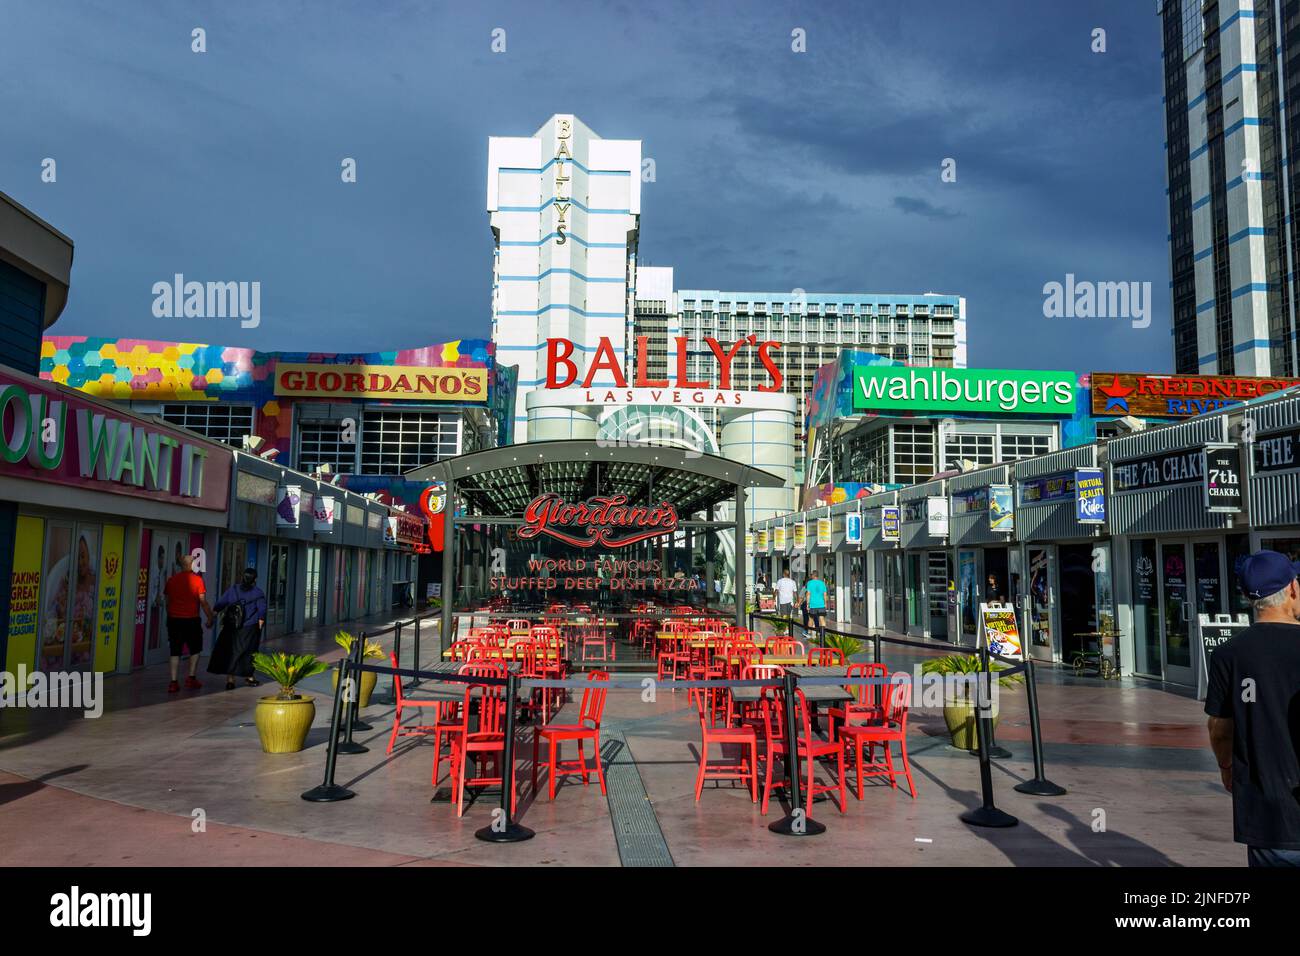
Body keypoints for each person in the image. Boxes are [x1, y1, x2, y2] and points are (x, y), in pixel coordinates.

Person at [1205, 550, 1300, 867]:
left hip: (1266, 812)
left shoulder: (1227, 655)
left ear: (1247, 597)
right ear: (1293, 590)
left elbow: (1220, 728)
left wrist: (1226, 768)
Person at [208, 567, 268, 690]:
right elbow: (262, 610)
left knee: (231, 652)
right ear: (254, 579)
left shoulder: (233, 589)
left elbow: (220, 603)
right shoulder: (258, 593)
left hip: (232, 626)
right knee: (249, 652)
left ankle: (230, 680)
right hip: (249, 627)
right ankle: (249, 677)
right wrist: (260, 624)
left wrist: (212, 617)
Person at [164, 553, 214, 693]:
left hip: (174, 620)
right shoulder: (197, 580)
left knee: (175, 650)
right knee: (195, 649)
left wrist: (170, 616)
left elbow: (167, 602)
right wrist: (210, 617)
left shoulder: (171, 580)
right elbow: (203, 602)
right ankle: (191, 678)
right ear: (191, 564)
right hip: (191, 620)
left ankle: (173, 682)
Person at [803, 570, 828, 641]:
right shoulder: (822, 583)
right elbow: (825, 594)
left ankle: (809, 633)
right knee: (822, 619)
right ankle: (822, 633)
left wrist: (807, 604)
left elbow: (808, 594)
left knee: (811, 619)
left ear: (813, 575)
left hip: (813, 604)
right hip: (821, 604)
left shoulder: (809, 583)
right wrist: (825, 603)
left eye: (811, 575)